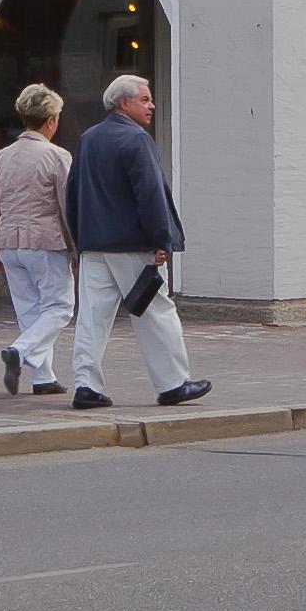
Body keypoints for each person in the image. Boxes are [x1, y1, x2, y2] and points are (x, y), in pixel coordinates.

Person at [64, 72, 208, 409]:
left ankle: (86, 385)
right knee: (156, 310)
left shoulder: (88, 138)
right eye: (144, 99)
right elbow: (150, 194)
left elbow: (73, 194)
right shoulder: (136, 139)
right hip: (133, 245)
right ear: (123, 102)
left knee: (92, 318)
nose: (151, 105)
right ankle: (173, 383)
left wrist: (79, 240)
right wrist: (162, 239)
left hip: (95, 244)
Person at [0, 83, 75, 398]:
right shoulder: (57, 155)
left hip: (8, 239)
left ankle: (43, 377)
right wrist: (77, 248)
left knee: (29, 311)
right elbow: (67, 206)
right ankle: (19, 350)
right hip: (45, 239)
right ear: (51, 120)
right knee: (60, 307)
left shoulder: (2, 156)